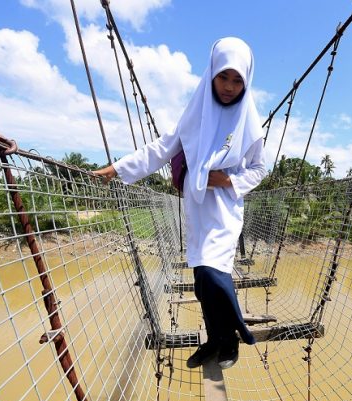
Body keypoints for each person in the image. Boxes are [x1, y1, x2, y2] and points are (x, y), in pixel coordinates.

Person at [92, 37, 266, 370]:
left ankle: (235, 335)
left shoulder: (250, 124)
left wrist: (230, 180)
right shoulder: (195, 115)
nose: (229, 87)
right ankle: (217, 340)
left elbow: (260, 168)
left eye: (237, 80)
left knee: (215, 275)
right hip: (198, 208)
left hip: (226, 209)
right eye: (223, 77)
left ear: (247, 81)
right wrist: (119, 168)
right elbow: (161, 149)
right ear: (211, 74)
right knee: (202, 280)